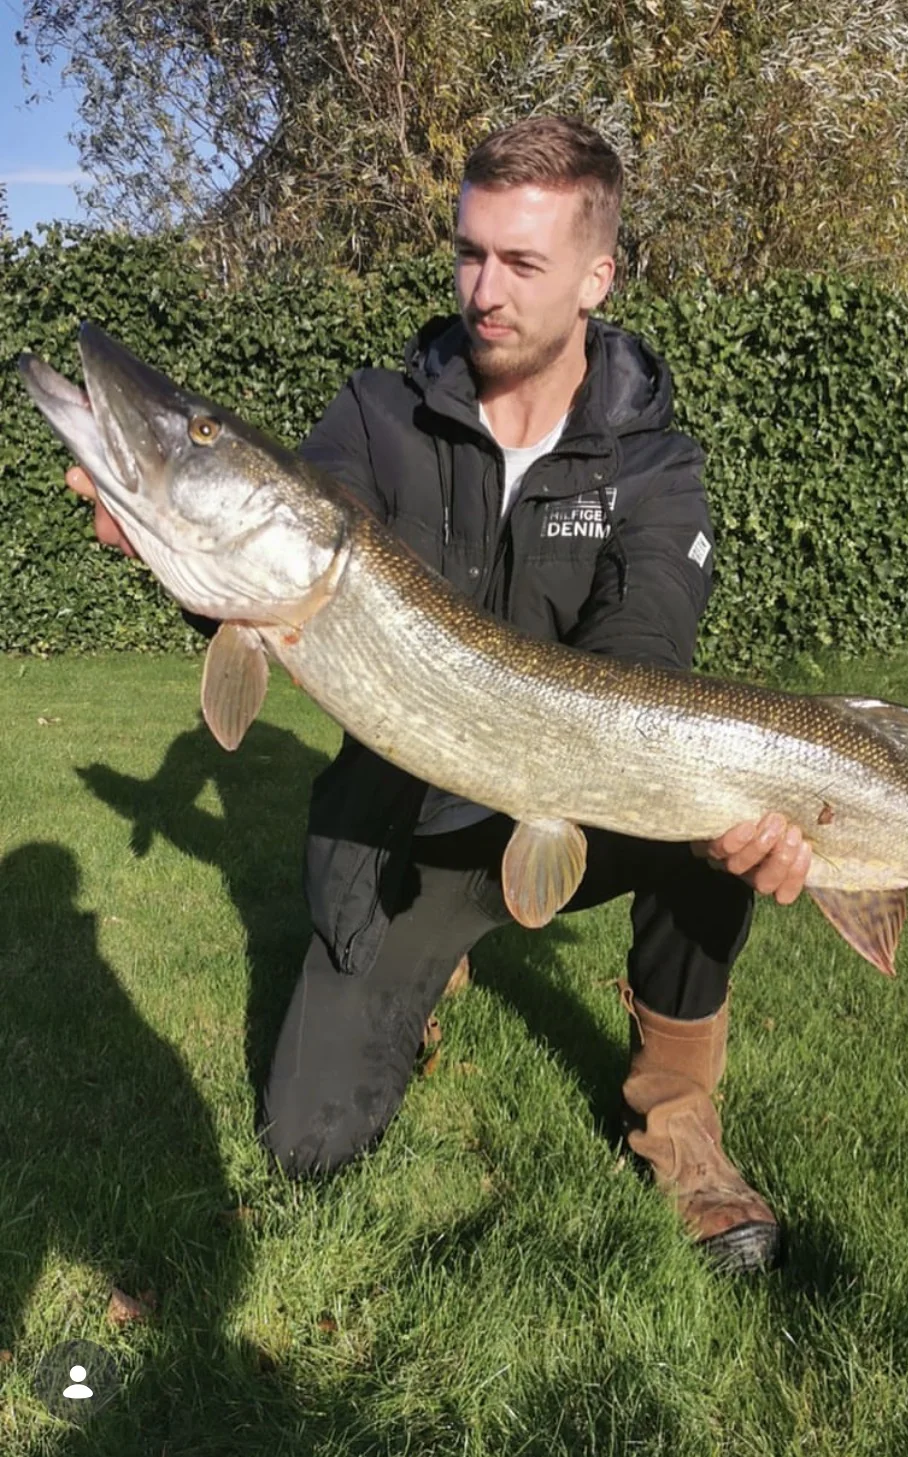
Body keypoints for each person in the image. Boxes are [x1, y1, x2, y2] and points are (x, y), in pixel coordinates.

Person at [66, 116, 812, 1275]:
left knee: (714, 815)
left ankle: (679, 1124)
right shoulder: (374, 414)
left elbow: (646, 644)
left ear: (597, 275)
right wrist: (184, 564)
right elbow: (280, 567)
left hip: (589, 804)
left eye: (522, 263)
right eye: (469, 253)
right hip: (424, 827)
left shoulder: (657, 465)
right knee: (306, 1143)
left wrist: (732, 812)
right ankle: (430, 963)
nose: (484, 289)